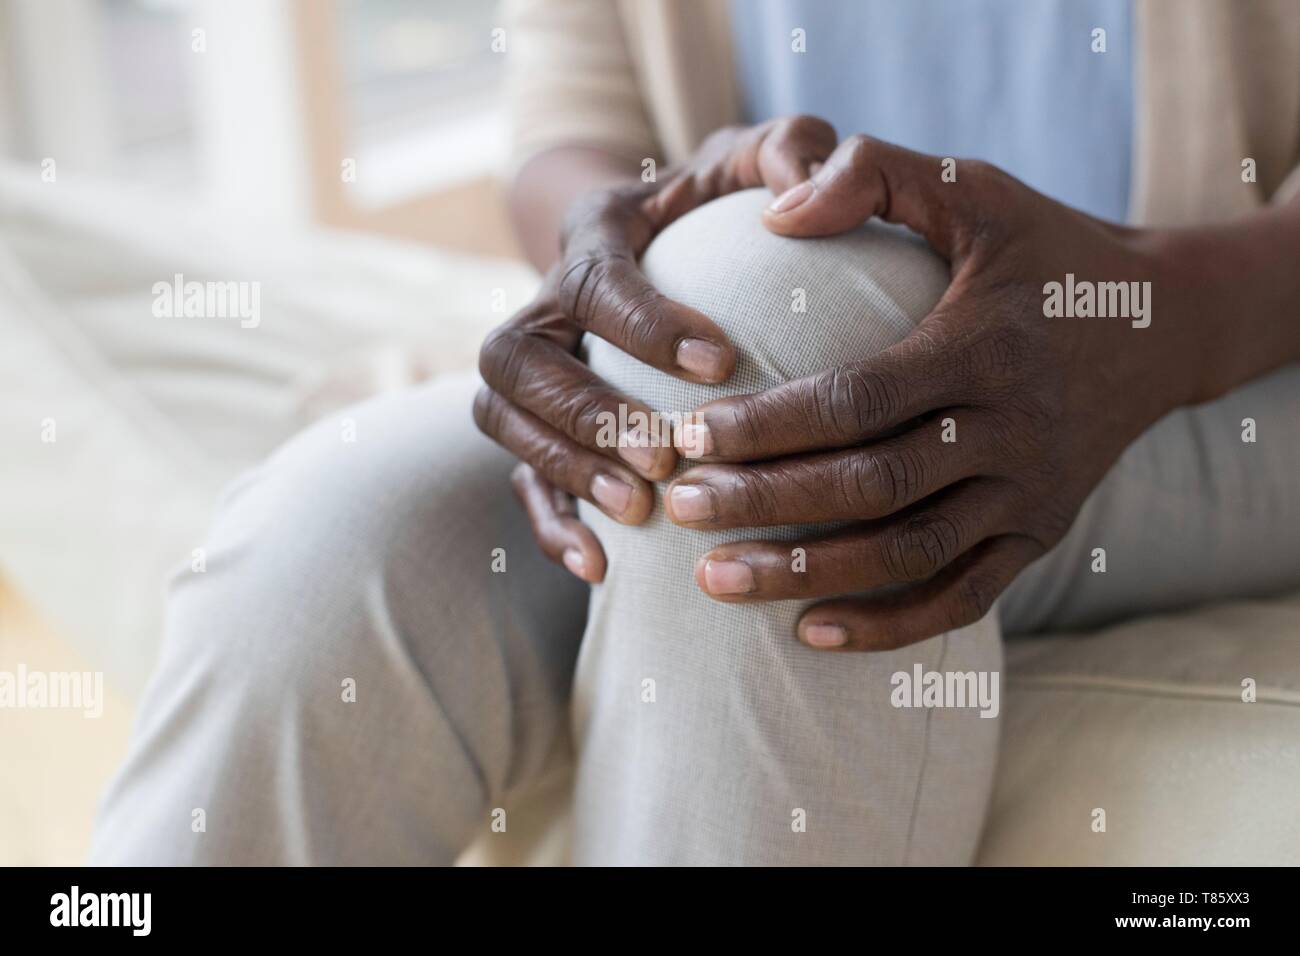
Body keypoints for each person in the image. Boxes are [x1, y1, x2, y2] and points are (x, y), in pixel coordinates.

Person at [91, 0, 1300, 864]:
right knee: (337, 547)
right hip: (738, 354)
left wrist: (1145, 302)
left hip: (1232, 365)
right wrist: (621, 251)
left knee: (784, 339)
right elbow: (569, 126)